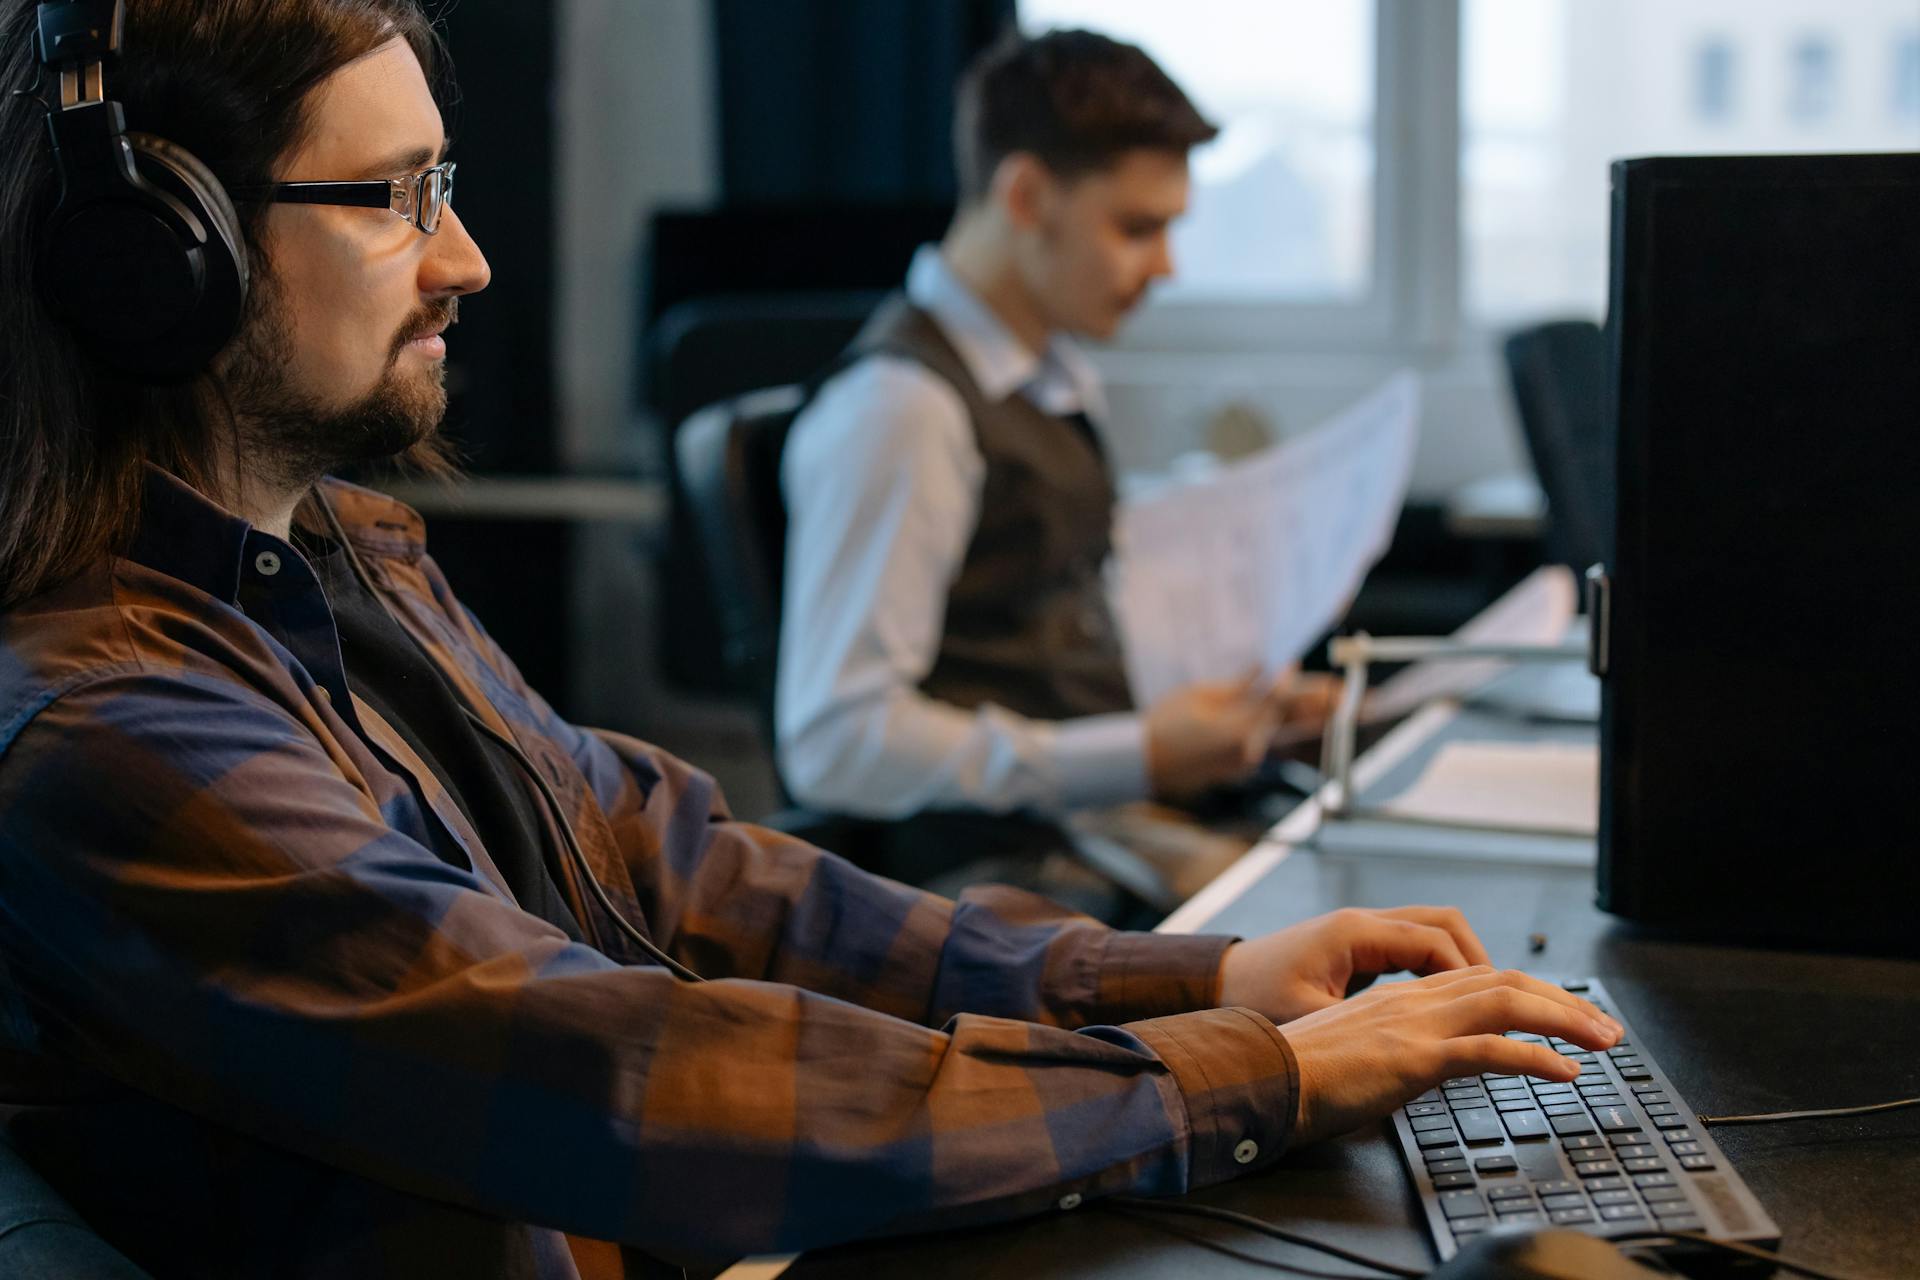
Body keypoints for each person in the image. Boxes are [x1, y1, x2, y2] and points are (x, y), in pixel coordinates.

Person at [0, 3, 1621, 1278]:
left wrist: (1203, 977)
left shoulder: (346, 560)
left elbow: (686, 870)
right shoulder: (110, 729)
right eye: (394, 196)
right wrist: (1245, 1077)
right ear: (154, 257)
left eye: (452, 185)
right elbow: (609, 1071)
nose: (466, 258)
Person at [777, 30, 1340, 889]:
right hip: (1005, 869)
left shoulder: (1052, 377)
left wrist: (1222, 717)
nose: (1166, 266)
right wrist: (1141, 752)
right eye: (1137, 228)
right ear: (1029, 196)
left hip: (1089, 826)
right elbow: (835, 742)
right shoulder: (904, 409)